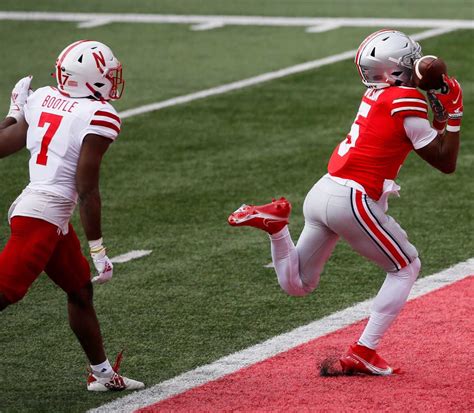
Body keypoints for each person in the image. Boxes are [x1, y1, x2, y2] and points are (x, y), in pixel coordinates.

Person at [228, 29, 463, 375]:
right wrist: (454, 114)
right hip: (353, 199)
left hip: (324, 190)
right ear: (396, 69)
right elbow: (445, 162)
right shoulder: (405, 100)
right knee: (406, 267)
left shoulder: (377, 94)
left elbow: (421, 136)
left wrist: (440, 113)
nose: (417, 61)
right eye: (409, 58)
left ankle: (278, 229)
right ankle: (364, 350)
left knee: (297, 284)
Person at [0, 40, 144, 391]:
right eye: (107, 74)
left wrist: (14, 113)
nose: (112, 79)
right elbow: (87, 188)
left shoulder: (43, 97)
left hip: (41, 211)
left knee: (79, 290)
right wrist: (98, 249)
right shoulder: (100, 116)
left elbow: (6, 144)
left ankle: (103, 374)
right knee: (5, 291)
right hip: (44, 216)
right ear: (90, 78)